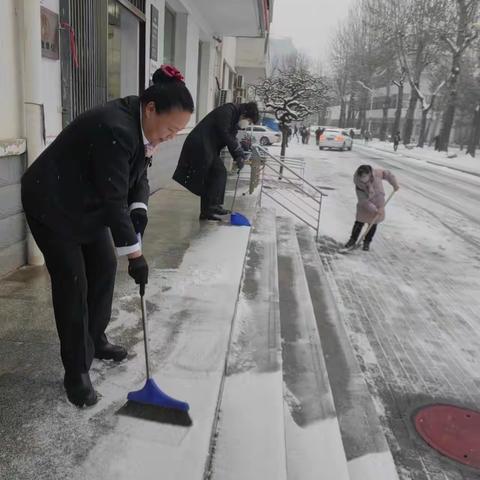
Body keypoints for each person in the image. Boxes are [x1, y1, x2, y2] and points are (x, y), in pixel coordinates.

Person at [21, 65, 194, 407]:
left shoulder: (142, 127)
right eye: (171, 128)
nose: (171, 136)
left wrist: (140, 208)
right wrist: (135, 254)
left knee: (101, 266)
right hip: (52, 204)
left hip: (87, 201)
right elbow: (114, 200)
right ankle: (76, 372)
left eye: (178, 131)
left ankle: (95, 338)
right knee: (73, 282)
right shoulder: (115, 128)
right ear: (150, 109)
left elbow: (137, 176)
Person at [173, 101, 258, 221]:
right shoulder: (228, 111)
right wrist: (238, 153)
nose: (247, 124)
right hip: (200, 144)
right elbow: (225, 133)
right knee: (218, 172)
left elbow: (231, 138)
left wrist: (239, 156)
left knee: (214, 174)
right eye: (249, 121)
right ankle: (211, 207)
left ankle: (209, 209)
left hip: (207, 146)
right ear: (245, 113)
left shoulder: (234, 117)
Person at [344, 164, 399, 251]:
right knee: (359, 223)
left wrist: (394, 184)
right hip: (365, 207)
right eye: (362, 177)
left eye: (365, 176)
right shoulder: (358, 184)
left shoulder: (376, 173)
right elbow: (363, 201)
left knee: (372, 225)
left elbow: (387, 174)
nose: (363, 178)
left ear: (369, 174)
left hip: (379, 204)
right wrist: (375, 210)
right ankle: (352, 240)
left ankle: (367, 242)